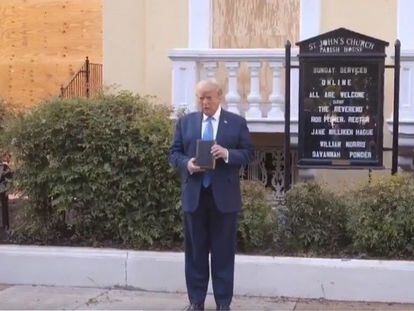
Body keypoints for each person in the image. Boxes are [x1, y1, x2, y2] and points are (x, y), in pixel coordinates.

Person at [169, 79, 253, 310]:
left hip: (224, 199)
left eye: (208, 97)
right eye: (200, 98)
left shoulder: (236, 123)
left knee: (223, 254)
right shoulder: (186, 123)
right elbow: (174, 154)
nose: (204, 102)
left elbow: (248, 154)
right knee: (195, 253)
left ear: (219, 96)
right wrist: (188, 164)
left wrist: (227, 153)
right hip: (195, 197)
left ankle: (223, 304)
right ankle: (196, 301)